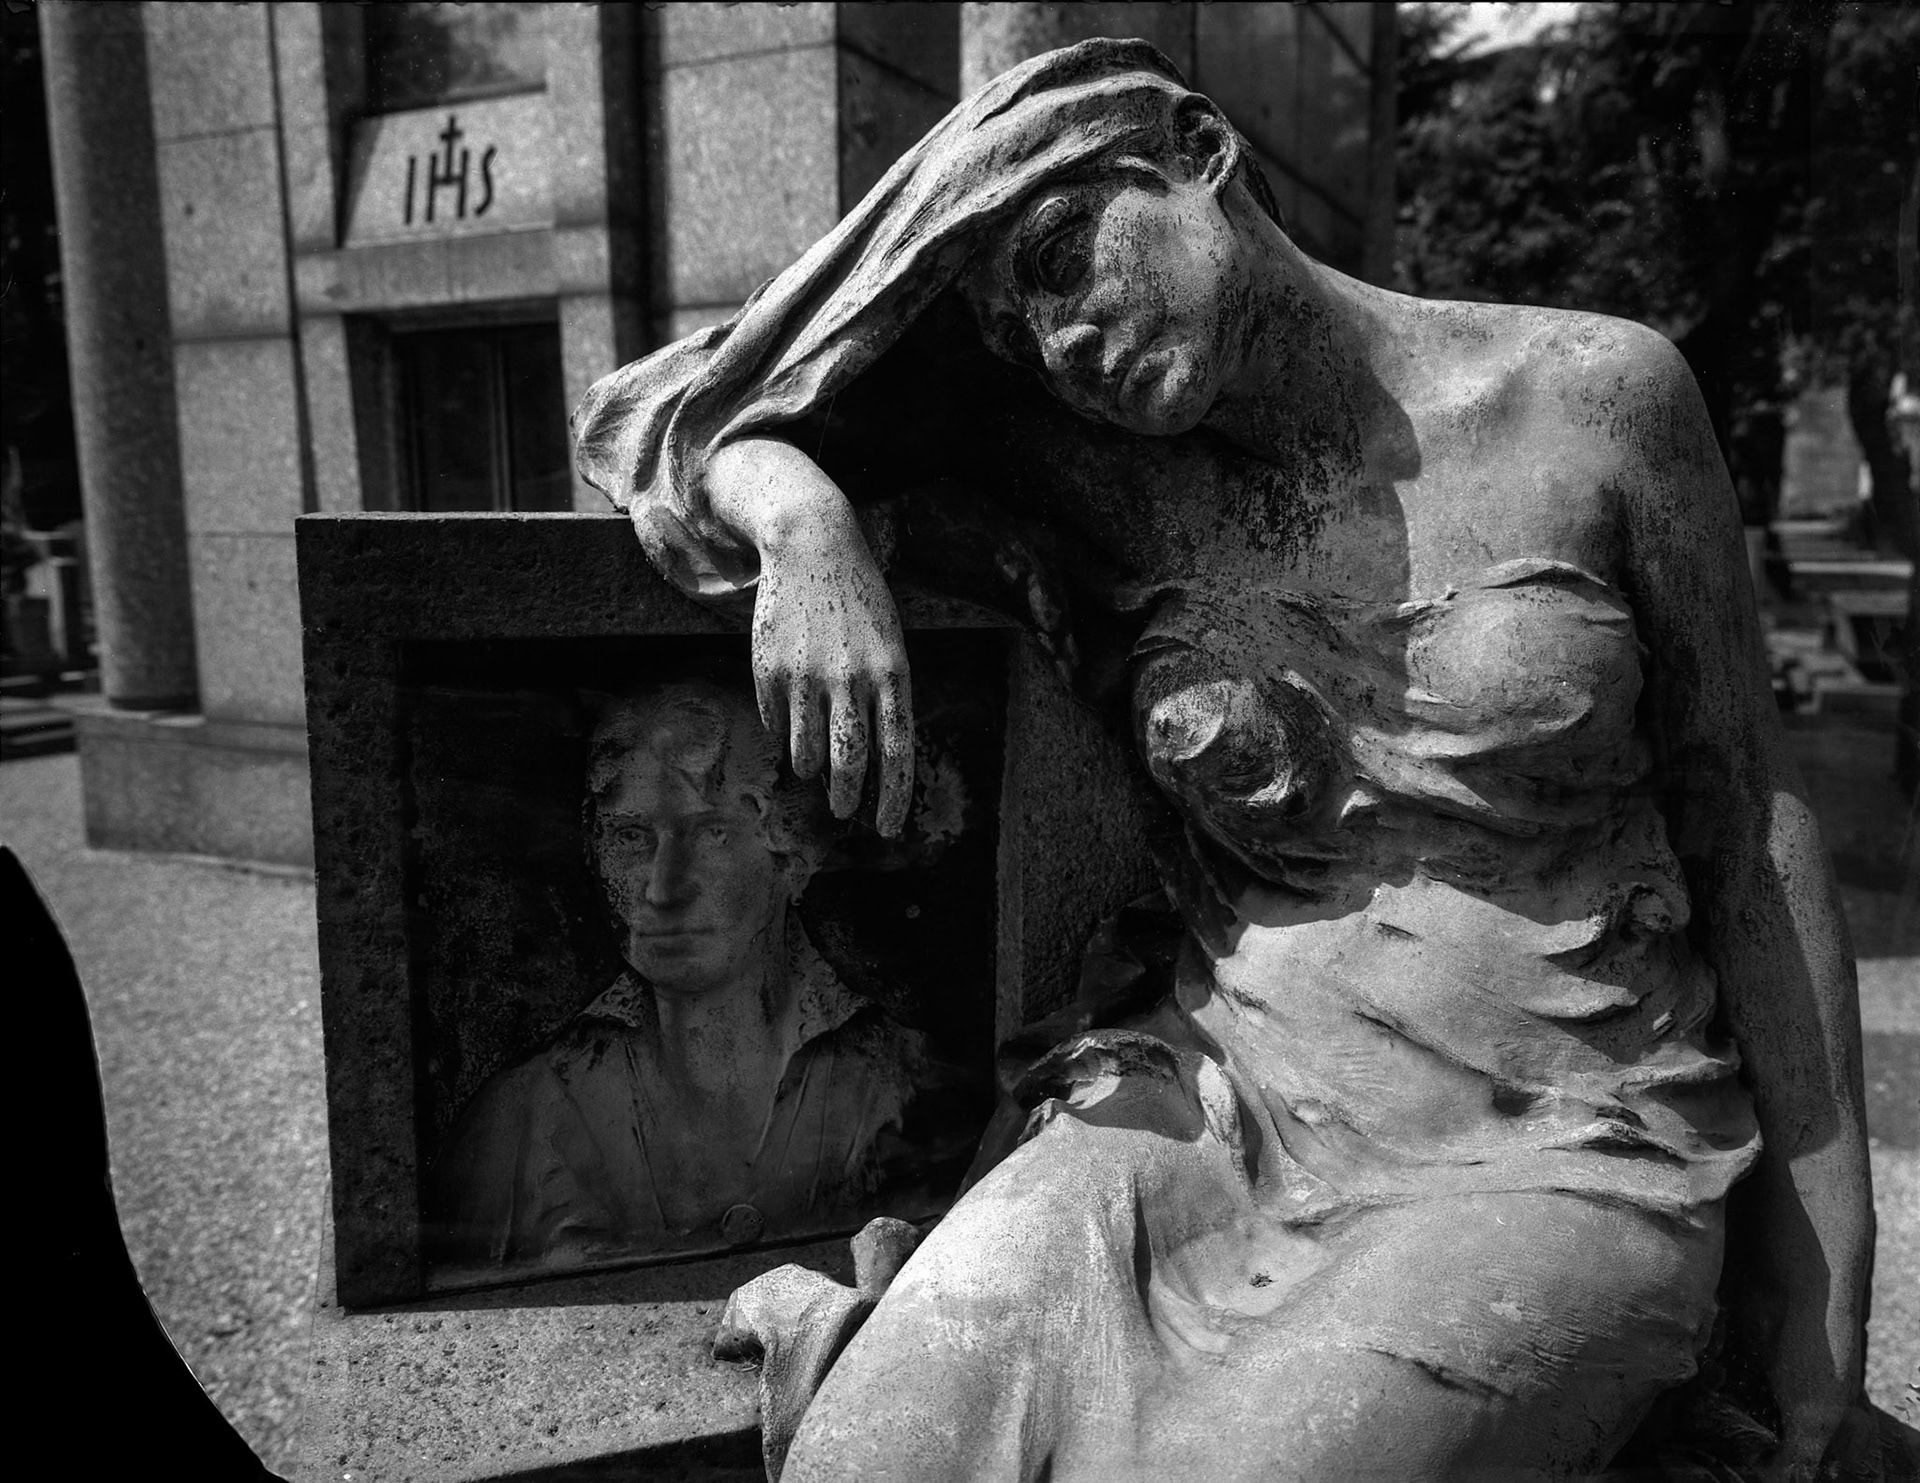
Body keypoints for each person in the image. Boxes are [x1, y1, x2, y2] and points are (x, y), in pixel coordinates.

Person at [571, 41, 1876, 1481]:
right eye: (1015, 331)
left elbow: (1750, 826)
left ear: (1197, 152)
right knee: (875, 1454)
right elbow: (657, 416)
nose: (1059, 341)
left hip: (1554, 1141)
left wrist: (1822, 1277)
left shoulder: (1595, 399)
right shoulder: (1092, 476)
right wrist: (801, 518)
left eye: (1060, 256)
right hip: (1212, 1102)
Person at [426, 681, 931, 1277]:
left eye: (712, 833)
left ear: (794, 854)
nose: (663, 889)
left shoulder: (908, 1085)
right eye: (631, 837)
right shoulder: (516, 1121)